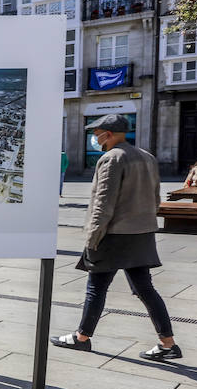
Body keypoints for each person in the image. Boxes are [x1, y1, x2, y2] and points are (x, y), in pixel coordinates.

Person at [51, 115, 180, 361]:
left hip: (113, 235)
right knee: (145, 289)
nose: (95, 137)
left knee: (96, 289)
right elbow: (155, 198)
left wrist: (92, 238)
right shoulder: (147, 156)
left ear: (107, 134)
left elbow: (103, 203)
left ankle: (81, 338)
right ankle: (167, 343)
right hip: (141, 233)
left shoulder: (111, 158)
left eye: (97, 132)